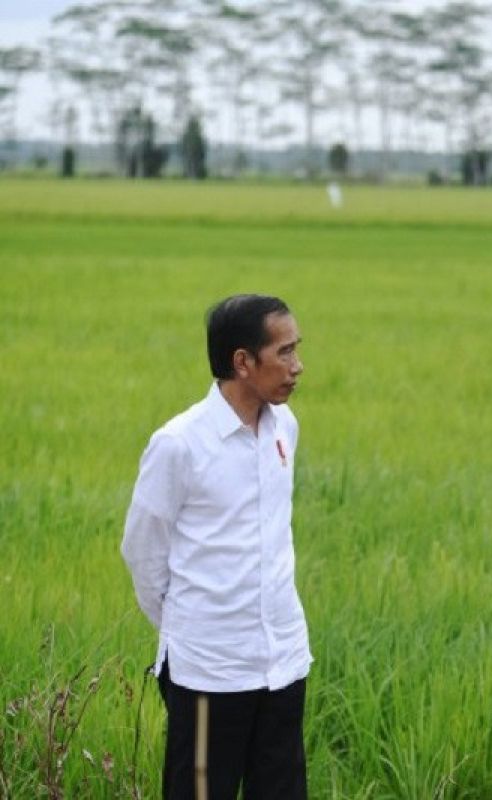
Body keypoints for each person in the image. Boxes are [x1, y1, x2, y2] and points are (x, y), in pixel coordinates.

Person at [121, 294, 311, 799]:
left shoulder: (284, 428)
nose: (298, 366)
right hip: (209, 674)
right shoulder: (180, 444)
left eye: (297, 350)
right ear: (242, 362)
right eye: (284, 353)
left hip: (283, 661)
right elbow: (142, 550)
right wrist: (187, 627)